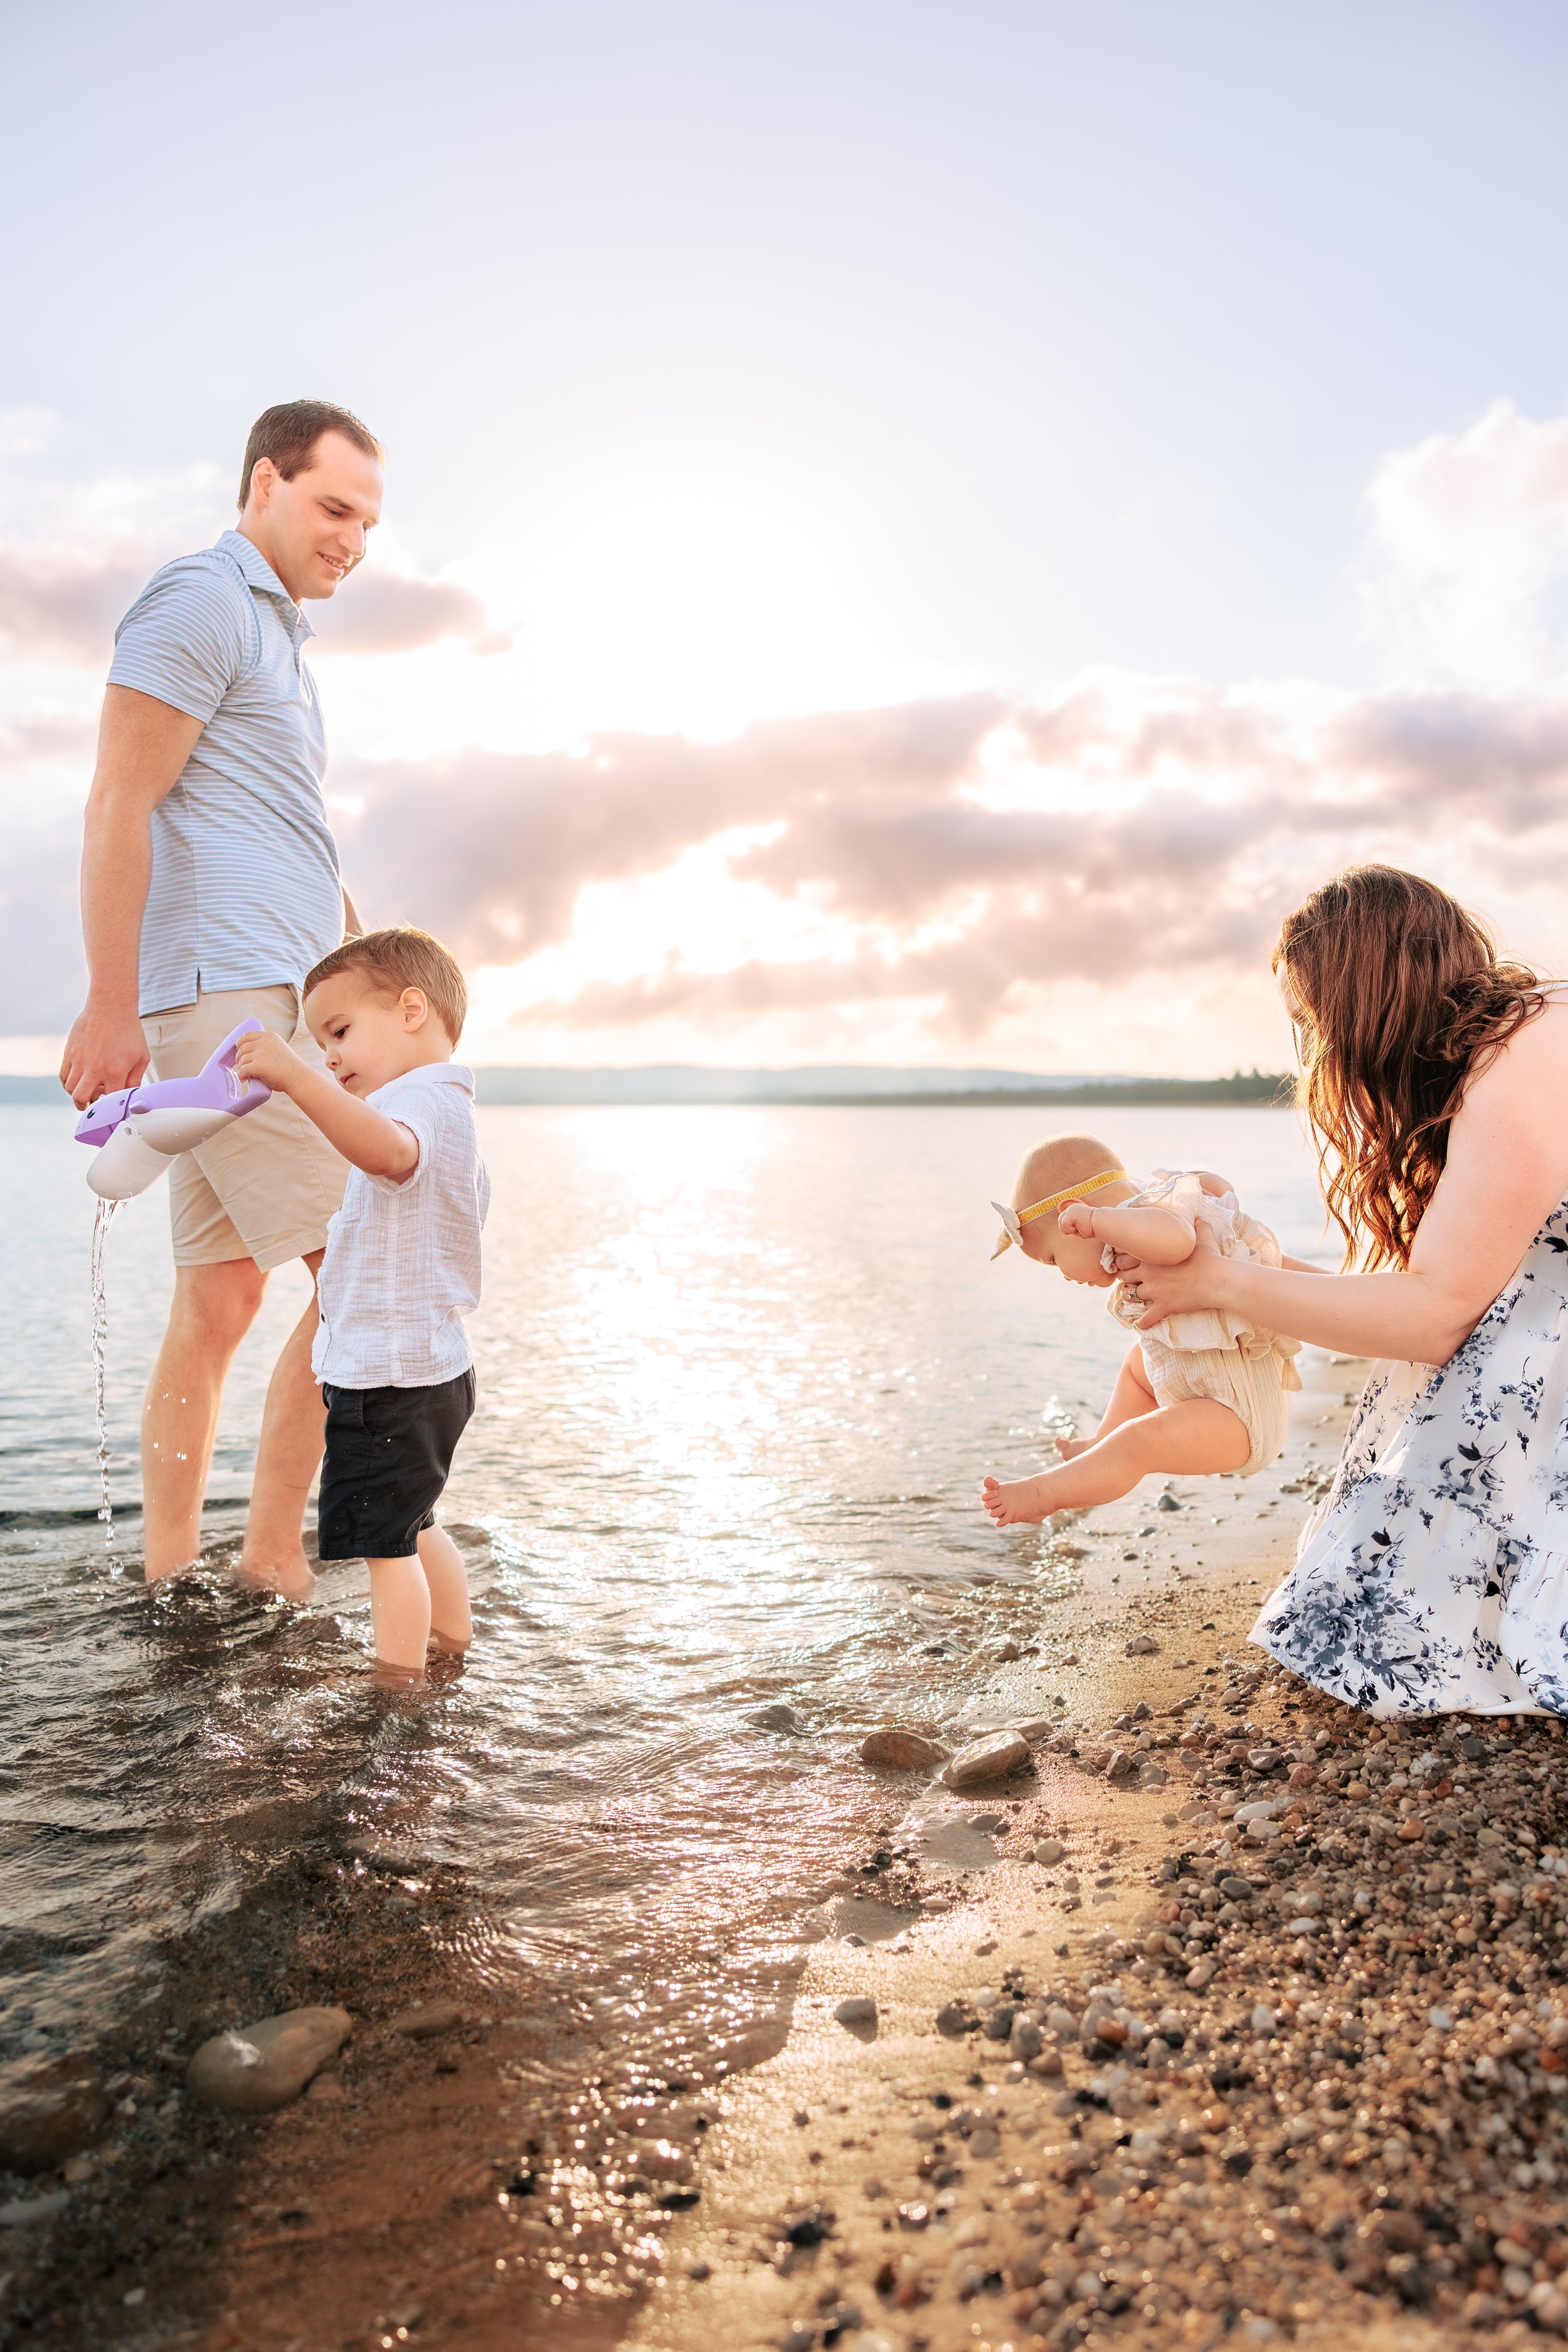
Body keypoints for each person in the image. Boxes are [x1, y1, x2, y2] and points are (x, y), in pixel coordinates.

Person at [59, 400, 384, 1599]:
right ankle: (269, 1565)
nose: (352, 538)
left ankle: (166, 1572)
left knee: (220, 1293)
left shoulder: (280, 642)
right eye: (332, 507)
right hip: (228, 1001)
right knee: (358, 1270)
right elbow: (115, 804)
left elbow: (276, 828)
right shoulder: (200, 601)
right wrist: (107, 1004)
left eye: (368, 521)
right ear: (265, 483)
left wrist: (368, 967)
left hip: (265, 991)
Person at [1121, 864, 1568, 1719]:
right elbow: (1447, 1294)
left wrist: (1219, 1280)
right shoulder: (1530, 1028)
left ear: (1363, 1004)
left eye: (1316, 1022)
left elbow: (1436, 1317)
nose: (1319, 1049)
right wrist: (1238, 1267)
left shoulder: (1512, 1071)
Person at [233, 926, 489, 1683]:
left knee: (385, 1549)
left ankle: (396, 1688)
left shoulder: (417, 1105)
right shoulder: (446, 1107)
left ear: (413, 1010)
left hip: (390, 1380)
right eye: (317, 1045)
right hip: (430, 1371)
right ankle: (451, 1644)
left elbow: (387, 1153)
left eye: (340, 1032)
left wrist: (291, 1077)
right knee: (414, 1522)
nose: (330, 1056)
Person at [980, 1133, 1303, 1525]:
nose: (1063, 1275)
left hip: (1239, 1418)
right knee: (1136, 1368)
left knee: (1137, 1444)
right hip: (1207, 1394)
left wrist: (1101, 1220)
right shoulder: (1145, 1220)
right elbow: (1216, 1188)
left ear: (1075, 1217)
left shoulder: (1147, 1218)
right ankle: (1100, 1443)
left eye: (1052, 1259)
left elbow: (1180, 1241)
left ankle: (1046, 1494)